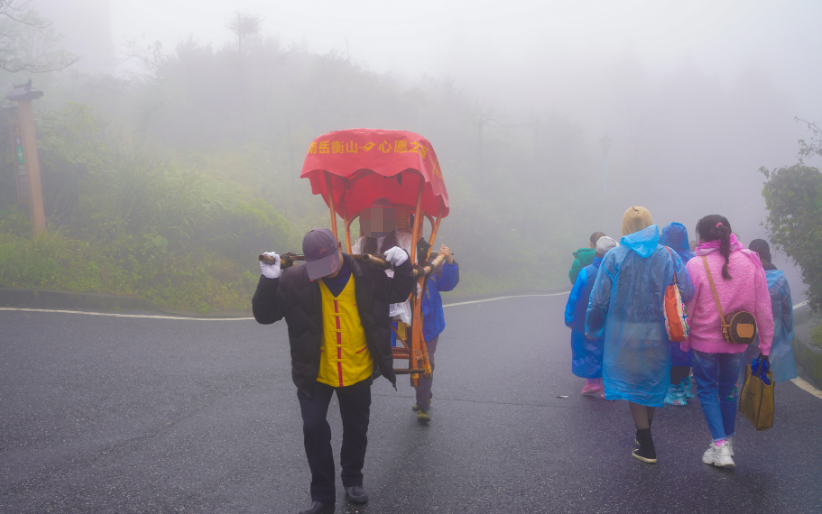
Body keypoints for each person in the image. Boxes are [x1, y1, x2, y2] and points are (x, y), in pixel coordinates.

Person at [252, 228, 415, 514]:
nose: (324, 273)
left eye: (328, 264)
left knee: (356, 428)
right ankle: (322, 496)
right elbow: (265, 316)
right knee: (313, 428)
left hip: (358, 367)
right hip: (315, 372)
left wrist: (403, 264)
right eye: (317, 269)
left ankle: (353, 479)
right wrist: (268, 280)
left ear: (339, 247)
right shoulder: (294, 280)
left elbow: (401, 290)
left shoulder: (369, 274)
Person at [586, 206, 694, 464]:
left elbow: (599, 298)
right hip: (657, 331)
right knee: (652, 379)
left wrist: (592, 327)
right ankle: (645, 434)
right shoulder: (668, 255)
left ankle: (645, 442)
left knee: (634, 384)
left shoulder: (614, 256)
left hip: (623, 332)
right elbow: (687, 291)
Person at [681, 216, 774, 468]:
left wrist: (684, 339)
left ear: (702, 236)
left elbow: (687, 307)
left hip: (704, 342)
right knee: (729, 389)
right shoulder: (750, 261)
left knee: (707, 390)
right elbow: (764, 307)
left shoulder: (695, 264)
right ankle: (728, 443)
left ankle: (719, 446)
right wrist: (765, 345)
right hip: (738, 340)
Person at [564, 235, 617, 397]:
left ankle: (592, 382)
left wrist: (569, 318)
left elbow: (574, 297)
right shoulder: (617, 273)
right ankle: (608, 386)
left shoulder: (585, 272)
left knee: (588, 349)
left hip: (585, 320)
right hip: (610, 322)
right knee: (608, 351)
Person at [413, 244, 459, 422]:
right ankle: (424, 395)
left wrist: (449, 261)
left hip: (429, 324)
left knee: (426, 361)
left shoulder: (433, 264)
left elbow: (447, 284)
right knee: (415, 362)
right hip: (407, 324)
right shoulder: (398, 263)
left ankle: (423, 406)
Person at [352, 196, 414, 326]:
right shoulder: (362, 242)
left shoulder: (406, 240)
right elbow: (354, 265)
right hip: (368, 290)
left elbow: (410, 268)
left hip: (393, 291)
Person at [746, 239, 797, 384]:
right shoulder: (780, 280)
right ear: (768, 256)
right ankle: (763, 398)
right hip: (774, 332)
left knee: (749, 365)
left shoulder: (746, 277)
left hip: (749, 330)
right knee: (768, 366)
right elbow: (787, 310)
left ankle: (749, 397)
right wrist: (788, 331)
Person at [659, 222, 696, 406]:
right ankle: (685, 384)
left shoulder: (664, 258)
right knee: (686, 349)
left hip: (671, 311)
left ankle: (675, 392)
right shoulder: (693, 258)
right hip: (692, 312)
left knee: (673, 350)